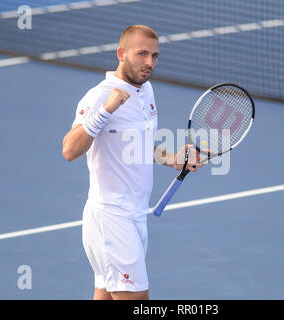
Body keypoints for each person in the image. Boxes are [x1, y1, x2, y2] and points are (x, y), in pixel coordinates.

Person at [62, 25, 203, 300]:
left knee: (104, 294)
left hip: (134, 215)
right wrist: (106, 110)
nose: (149, 63)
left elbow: (136, 145)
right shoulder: (101, 96)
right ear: (121, 54)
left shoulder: (146, 91)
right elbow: (69, 150)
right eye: (142, 54)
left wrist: (174, 160)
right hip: (112, 216)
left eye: (155, 55)